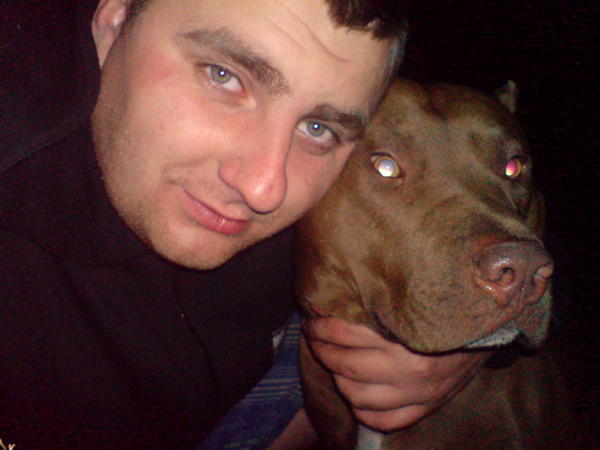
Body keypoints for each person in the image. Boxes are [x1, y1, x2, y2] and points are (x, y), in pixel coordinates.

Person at [0, 0, 489, 447]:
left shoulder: (321, 187)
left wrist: (469, 336)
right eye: (224, 76)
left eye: (317, 128)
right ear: (115, 19)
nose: (264, 189)